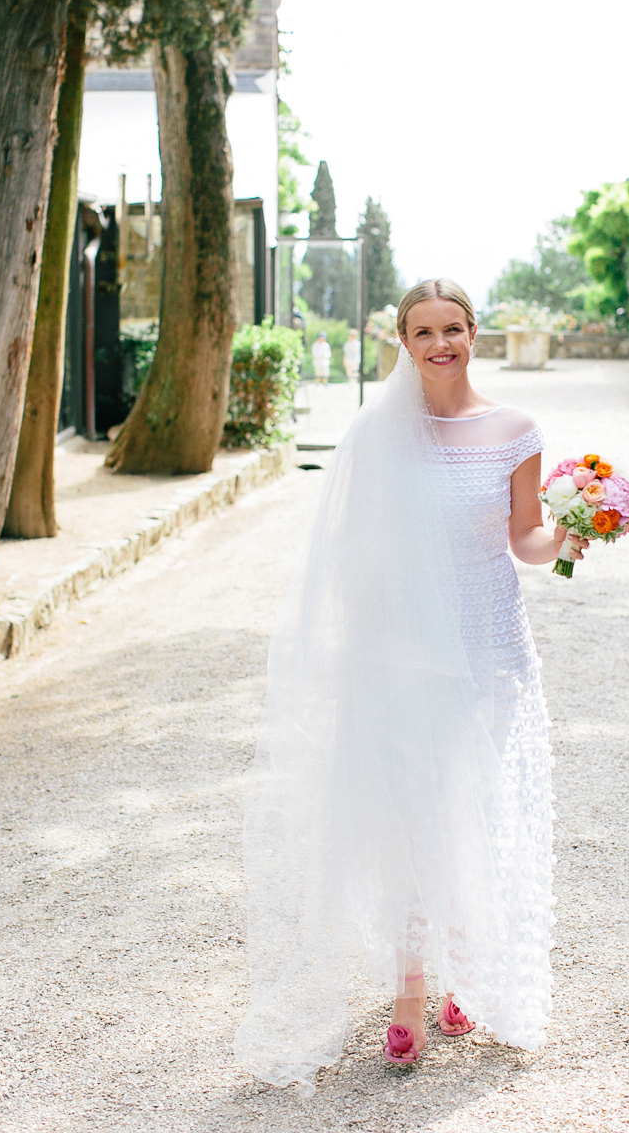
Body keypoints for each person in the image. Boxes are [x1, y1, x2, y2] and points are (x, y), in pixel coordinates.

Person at [235, 277, 585, 1089]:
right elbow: (352, 548)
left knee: (475, 803)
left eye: (453, 328)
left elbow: (525, 540)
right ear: (403, 340)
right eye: (422, 331)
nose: (440, 345)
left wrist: (569, 535)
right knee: (409, 815)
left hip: (492, 647)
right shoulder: (377, 434)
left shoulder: (514, 430)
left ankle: (466, 972)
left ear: (474, 333)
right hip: (402, 653)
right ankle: (409, 990)